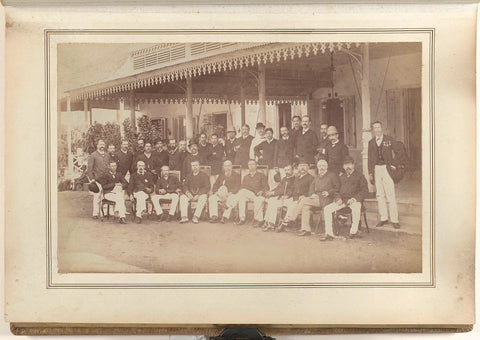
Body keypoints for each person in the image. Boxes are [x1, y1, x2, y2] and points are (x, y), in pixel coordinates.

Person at [321, 156, 369, 241]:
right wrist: (338, 198)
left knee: (357, 207)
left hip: (354, 201)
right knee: (327, 209)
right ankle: (329, 233)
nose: (348, 167)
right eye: (345, 165)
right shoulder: (341, 177)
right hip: (342, 201)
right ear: (343, 167)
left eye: (349, 164)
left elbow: (365, 191)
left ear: (353, 165)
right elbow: (336, 190)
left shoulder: (360, 176)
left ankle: (353, 232)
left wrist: (354, 199)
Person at [368, 121, 400, 229]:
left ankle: (394, 220)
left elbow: (399, 152)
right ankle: (383, 218)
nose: (377, 130)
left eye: (378, 127)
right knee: (380, 195)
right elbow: (370, 159)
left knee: (390, 194)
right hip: (377, 169)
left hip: (387, 169)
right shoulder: (371, 142)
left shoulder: (389, 140)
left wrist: (394, 164)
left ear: (382, 128)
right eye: (374, 128)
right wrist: (370, 173)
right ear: (373, 130)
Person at [296, 159, 339, 236]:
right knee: (305, 207)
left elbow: (337, 188)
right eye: (319, 166)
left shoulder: (332, 175)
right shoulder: (317, 177)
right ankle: (306, 230)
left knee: (303, 200)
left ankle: (291, 218)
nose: (321, 168)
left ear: (327, 167)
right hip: (316, 199)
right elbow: (311, 188)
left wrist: (329, 192)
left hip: (326, 199)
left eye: (323, 166)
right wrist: (312, 194)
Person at [277, 160, 315, 231]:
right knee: (281, 203)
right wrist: (287, 195)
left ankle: (285, 224)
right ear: (298, 167)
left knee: (292, 206)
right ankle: (281, 222)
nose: (302, 168)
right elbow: (292, 189)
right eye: (300, 166)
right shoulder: (297, 177)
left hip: (302, 199)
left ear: (308, 167)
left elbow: (312, 191)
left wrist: (305, 195)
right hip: (293, 198)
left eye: (304, 166)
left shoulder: (311, 178)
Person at [262, 164, 296, 232]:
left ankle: (278, 224)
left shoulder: (295, 179)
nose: (287, 172)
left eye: (288, 170)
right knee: (272, 202)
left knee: (274, 202)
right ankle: (270, 223)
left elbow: (291, 190)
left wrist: (273, 193)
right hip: (282, 198)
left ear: (292, 170)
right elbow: (278, 188)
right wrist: (271, 191)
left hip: (290, 198)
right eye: (285, 170)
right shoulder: (284, 178)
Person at [236, 159, 268, 227]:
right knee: (241, 197)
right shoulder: (246, 177)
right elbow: (242, 187)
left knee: (243, 193)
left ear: (256, 166)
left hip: (258, 195)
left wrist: (262, 191)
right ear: (248, 166)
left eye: (253, 164)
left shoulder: (261, 175)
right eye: (249, 165)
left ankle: (260, 220)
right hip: (249, 194)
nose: (251, 166)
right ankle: (242, 218)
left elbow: (266, 187)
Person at [86, 140, 110, 219]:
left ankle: (105, 212)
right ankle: (95, 213)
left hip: (106, 179)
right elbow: (89, 168)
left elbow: (109, 166)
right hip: (97, 178)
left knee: (105, 195)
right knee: (97, 196)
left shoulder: (107, 155)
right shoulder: (93, 155)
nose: (102, 146)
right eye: (100, 144)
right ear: (97, 145)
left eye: (103, 144)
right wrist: (92, 179)